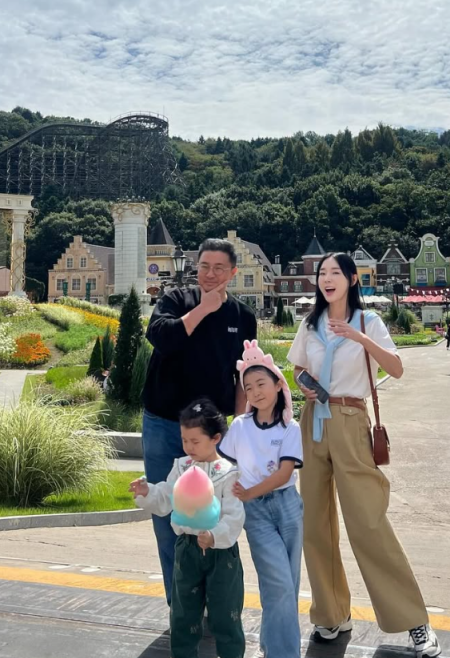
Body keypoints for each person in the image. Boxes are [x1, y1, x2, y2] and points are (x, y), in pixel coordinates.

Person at [287, 253, 441, 658]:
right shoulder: (310, 323)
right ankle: (331, 614)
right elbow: (298, 368)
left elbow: (396, 367)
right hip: (313, 422)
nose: (327, 279)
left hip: (351, 419)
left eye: (335, 273)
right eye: (322, 273)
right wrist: (303, 383)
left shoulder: (368, 321)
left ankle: (414, 620)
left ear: (352, 279)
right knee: (315, 526)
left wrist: (359, 339)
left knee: (368, 522)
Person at [142, 238, 257, 603]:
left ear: (232, 272)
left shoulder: (243, 317)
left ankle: (208, 604)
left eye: (219, 268)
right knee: (166, 518)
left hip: (211, 436)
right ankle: (179, 605)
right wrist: (203, 309)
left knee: (213, 516)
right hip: (164, 424)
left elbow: (243, 376)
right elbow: (160, 337)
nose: (210, 274)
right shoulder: (176, 300)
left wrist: (240, 427)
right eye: (204, 266)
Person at [130, 399, 246, 658]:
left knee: (225, 614)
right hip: (187, 549)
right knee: (183, 614)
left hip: (220, 554)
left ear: (215, 438)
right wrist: (147, 491)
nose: (188, 447)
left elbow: (234, 515)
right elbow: (167, 497)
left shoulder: (229, 473)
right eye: (184, 440)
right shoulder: (181, 467)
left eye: (195, 441)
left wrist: (214, 535)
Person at [219, 340, 304, 658]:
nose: (255, 392)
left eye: (261, 383)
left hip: (288, 506)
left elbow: (284, 474)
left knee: (286, 585)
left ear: (278, 384)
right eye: (248, 387)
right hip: (255, 514)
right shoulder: (239, 427)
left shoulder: (290, 428)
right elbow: (222, 465)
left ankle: (272, 646)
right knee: (279, 582)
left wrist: (249, 491)